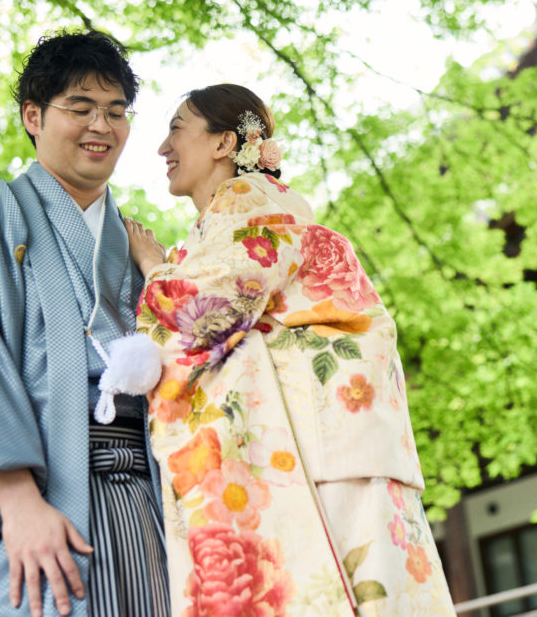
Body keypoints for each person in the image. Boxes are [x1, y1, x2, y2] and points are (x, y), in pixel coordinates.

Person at [125, 84, 454, 615]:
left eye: (177, 127)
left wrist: (154, 269)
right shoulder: (237, 217)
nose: (163, 147)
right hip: (331, 439)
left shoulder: (250, 204)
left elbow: (209, 311)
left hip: (322, 448)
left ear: (223, 143)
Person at [0, 30, 169, 617]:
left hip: (150, 502)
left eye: (117, 111)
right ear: (34, 116)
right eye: (81, 108)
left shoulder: (143, 250)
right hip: (36, 500)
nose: (102, 125)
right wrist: (18, 503)